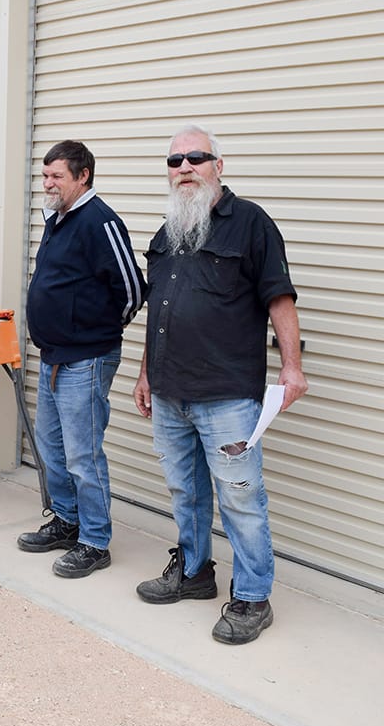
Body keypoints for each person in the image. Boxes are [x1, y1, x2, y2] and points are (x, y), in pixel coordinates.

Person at [132, 123, 308, 645]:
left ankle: (253, 596)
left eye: (196, 157)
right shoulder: (168, 232)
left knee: (240, 497)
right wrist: (144, 372)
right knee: (185, 491)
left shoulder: (250, 222)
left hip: (227, 395)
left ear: (218, 166)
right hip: (168, 392)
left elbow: (280, 298)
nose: (184, 167)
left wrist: (292, 368)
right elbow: (157, 311)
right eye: (174, 161)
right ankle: (193, 573)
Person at [17, 140, 146, 579]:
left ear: (83, 176)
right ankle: (66, 521)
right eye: (45, 175)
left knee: (82, 455)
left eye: (56, 176)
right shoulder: (58, 219)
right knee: (53, 447)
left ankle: (94, 541)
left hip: (86, 359)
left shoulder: (100, 221)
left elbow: (132, 291)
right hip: (53, 356)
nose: (47, 183)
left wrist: (99, 331)